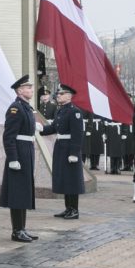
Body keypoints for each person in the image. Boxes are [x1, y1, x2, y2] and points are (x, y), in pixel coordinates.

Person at [0, 75, 39, 241]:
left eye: (30, 87)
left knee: (24, 191)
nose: (31, 90)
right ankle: (16, 230)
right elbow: (8, 136)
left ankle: (22, 228)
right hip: (19, 154)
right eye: (28, 87)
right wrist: (13, 158)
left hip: (27, 151)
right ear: (20, 90)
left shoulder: (26, 108)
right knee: (17, 192)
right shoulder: (16, 108)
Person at [40, 84, 85, 219]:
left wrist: (74, 153)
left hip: (69, 148)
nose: (58, 96)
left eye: (61, 94)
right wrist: (40, 129)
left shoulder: (74, 111)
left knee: (72, 179)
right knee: (65, 179)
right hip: (60, 147)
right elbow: (54, 128)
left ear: (69, 96)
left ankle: (74, 210)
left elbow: (78, 134)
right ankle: (68, 208)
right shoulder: (61, 111)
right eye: (58, 94)